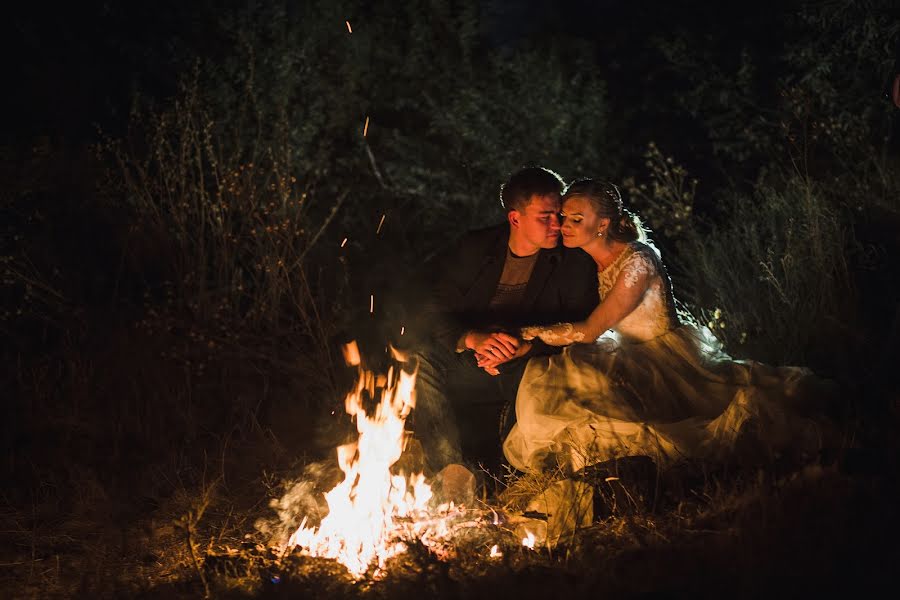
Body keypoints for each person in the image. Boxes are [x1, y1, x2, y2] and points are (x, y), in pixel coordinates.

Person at [499, 179, 835, 473]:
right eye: (563, 217)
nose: (564, 225)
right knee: (571, 371)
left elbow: (589, 330)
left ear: (602, 225)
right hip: (631, 353)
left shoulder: (638, 260)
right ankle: (582, 462)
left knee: (720, 422)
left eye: (576, 219)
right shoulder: (589, 262)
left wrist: (529, 332)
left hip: (666, 358)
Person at [412, 167, 598, 485]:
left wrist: (526, 347)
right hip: (473, 360)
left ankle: (512, 478)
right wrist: (469, 339)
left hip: (529, 363)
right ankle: (452, 474)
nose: (558, 225)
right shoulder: (475, 248)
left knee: (537, 377)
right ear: (515, 219)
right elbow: (433, 305)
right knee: (418, 358)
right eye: (545, 216)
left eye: (559, 214)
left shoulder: (573, 262)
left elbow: (580, 327)